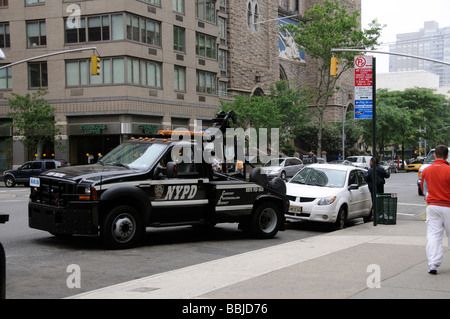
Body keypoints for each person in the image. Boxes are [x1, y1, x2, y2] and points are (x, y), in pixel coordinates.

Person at [421, 145, 450, 275]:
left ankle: (433, 264)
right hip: (448, 206)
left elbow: (424, 190)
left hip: (432, 206)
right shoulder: (449, 170)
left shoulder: (427, 171)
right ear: (447, 156)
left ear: (434, 155)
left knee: (433, 235)